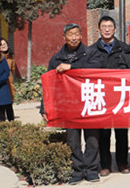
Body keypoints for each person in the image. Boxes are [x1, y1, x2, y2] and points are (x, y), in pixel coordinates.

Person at [41, 23, 103, 184]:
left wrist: (71, 67)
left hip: (89, 102)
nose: (74, 37)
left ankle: (91, 170)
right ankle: (77, 170)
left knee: (92, 139)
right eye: (70, 34)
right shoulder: (56, 59)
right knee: (73, 140)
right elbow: (49, 84)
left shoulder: (91, 53)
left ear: (81, 36)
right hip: (68, 106)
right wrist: (44, 106)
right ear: (64, 37)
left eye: (76, 34)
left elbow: (95, 69)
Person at [88, 16, 130, 176]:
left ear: (115, 29)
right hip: (102, 98)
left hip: (120, 97)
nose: (107, 29)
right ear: (99, 30)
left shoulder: (124, 48)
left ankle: (122, 163)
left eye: (110, 26)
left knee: (122, 132)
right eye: (104, 26)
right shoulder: (91, 50)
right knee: (104, 134)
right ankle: (105, 165)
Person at [0, 37, 16, 121]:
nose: (4, 46)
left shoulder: (8, 57)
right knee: (0, 112)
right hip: (0, 87)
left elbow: (10, 70)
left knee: (9, 109)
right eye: (1, 45)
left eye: (5, 44)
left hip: (7, 85)